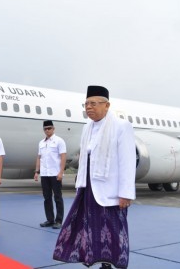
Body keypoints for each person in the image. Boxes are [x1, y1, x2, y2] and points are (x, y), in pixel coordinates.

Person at [53, 86, 136, 269]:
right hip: (88, 187)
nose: (89, 107)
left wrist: (126, 193)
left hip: (111, 189)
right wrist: (80, 185)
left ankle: (114, 262)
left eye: (93, 103)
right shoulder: (86, 128)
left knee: (113, 228)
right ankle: (97, 260)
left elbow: (127, 162)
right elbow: (84, 159)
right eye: (86, 104)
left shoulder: (122, 127)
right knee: (90, 227)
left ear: (107, 105)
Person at [34, 120, 66, 230]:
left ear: (53, 129)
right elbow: (39, 158)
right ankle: (50, 219)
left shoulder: (59, 141)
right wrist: (37, 172)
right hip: (45, 174)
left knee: (58, 197)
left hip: (55, 174)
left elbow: (63, 157)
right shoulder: (41, 143)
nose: (47, 130)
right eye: (45, 129)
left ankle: (59, 220)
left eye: (49, 128)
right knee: (46, 198)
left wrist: (61, 172)